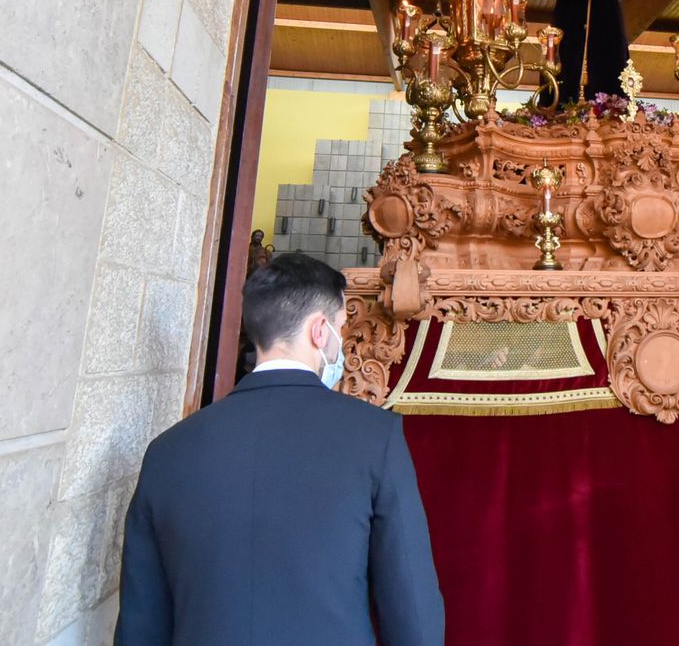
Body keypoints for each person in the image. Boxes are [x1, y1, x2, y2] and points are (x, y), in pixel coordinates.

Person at [115, 254, 445, 645]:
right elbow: (412, 609)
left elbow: (141, 621)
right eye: (341, 326)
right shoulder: (376, 437)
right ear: (320, 330)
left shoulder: (167, 451)